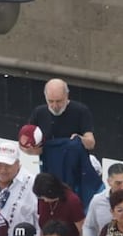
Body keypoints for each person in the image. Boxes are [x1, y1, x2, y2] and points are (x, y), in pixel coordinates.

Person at [21, 79, 99, 209]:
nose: (55, 105)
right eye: (50, 101)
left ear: (67, 96)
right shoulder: (39, 112)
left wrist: (80, 139)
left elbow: (91, 143)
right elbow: (26, 145)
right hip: (50, 170)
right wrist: (31, 150)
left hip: (75, 171)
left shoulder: (80, 111)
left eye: (59, 101)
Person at [0, 141, 39, 236]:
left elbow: (38, 216)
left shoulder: (32, 183)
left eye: (7, 166)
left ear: (18, 164)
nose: (3, 170)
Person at [33, 172, 86, 236]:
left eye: (45, 197)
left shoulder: (72, 201)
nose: (44, 200)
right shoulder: (42, 199)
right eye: (41, 197)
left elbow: (83, 231)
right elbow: (42, 222)